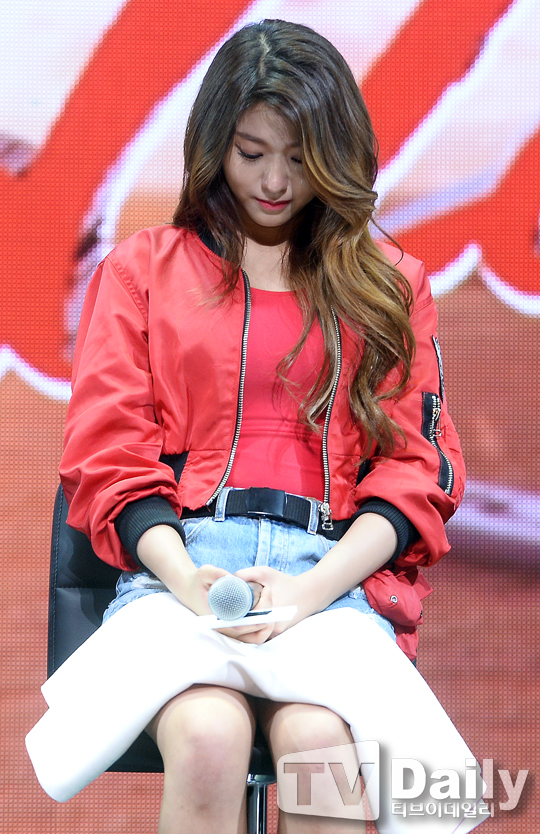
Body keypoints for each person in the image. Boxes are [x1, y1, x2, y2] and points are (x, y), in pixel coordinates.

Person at [57, 19, 479, 834]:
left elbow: (414, 471)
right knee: (209, 739)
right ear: (215, 143)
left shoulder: (390, 285)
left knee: (320, 751)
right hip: (180, 576)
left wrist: (310, 592)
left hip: (332, 582)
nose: (276, 181)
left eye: (300, 156)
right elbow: (108, 454)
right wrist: (192, 583)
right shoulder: (142, 270)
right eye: (252, 153)